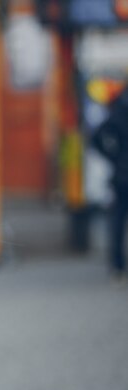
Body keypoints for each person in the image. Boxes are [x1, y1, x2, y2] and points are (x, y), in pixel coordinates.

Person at [92, 85, 128, 282]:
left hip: (121, 173)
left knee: (118, 221)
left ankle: (117, 266)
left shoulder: (118, 106)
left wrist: (113, 157)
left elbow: (96, 136)